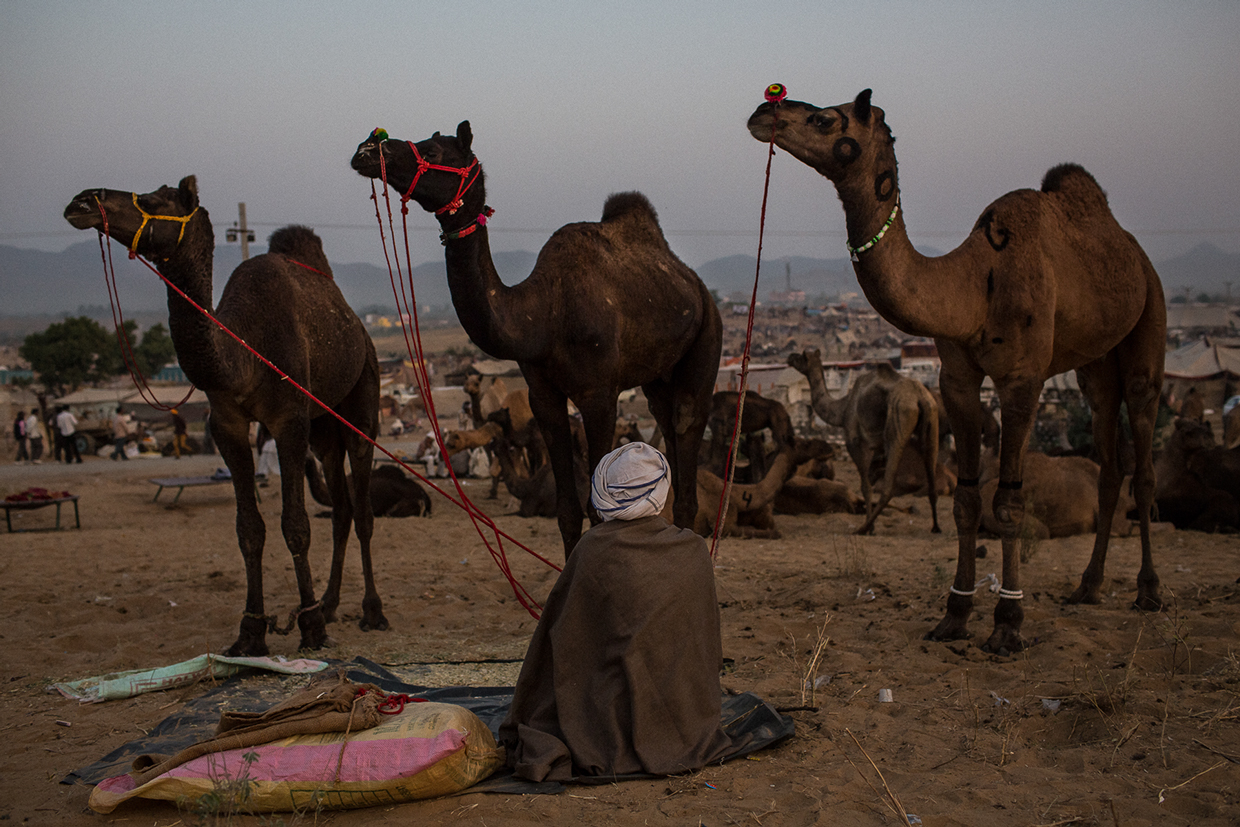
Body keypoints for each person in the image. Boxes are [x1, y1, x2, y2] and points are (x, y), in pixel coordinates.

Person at [500, 442, 734, 782]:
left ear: (602, 494)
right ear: (662, 491)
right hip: (689, 724)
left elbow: (558, 644)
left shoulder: (592, 550)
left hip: (603, 732)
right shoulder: (694, 549)